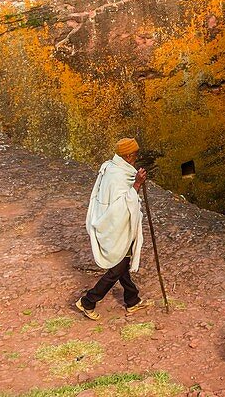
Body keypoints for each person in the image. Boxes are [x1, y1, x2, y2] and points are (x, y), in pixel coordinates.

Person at [74, 137, 153, 319]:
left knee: (123, 265)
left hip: (120, 227)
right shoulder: (115, 175)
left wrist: (135, 185)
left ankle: (132, 301)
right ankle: (88, 301)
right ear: (128, 155)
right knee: (117, 270)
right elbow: (119, 208)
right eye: (135, 154)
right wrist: (137, 184)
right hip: (117, 228)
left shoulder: (114, 167)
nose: (136, 157)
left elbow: (125, 197)